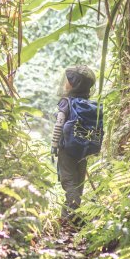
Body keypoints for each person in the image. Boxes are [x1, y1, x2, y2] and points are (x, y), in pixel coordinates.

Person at [51, 64, 96, 222]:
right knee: (78, 182)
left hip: (67, 149)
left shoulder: (66, 102)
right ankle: (70, 217)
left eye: (69, 81)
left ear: (75, 84)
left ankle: (74, 212)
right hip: (83, 150)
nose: (65, 83)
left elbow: (59, 124)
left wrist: (54, 145)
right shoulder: (88, 104)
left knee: (68, 181)